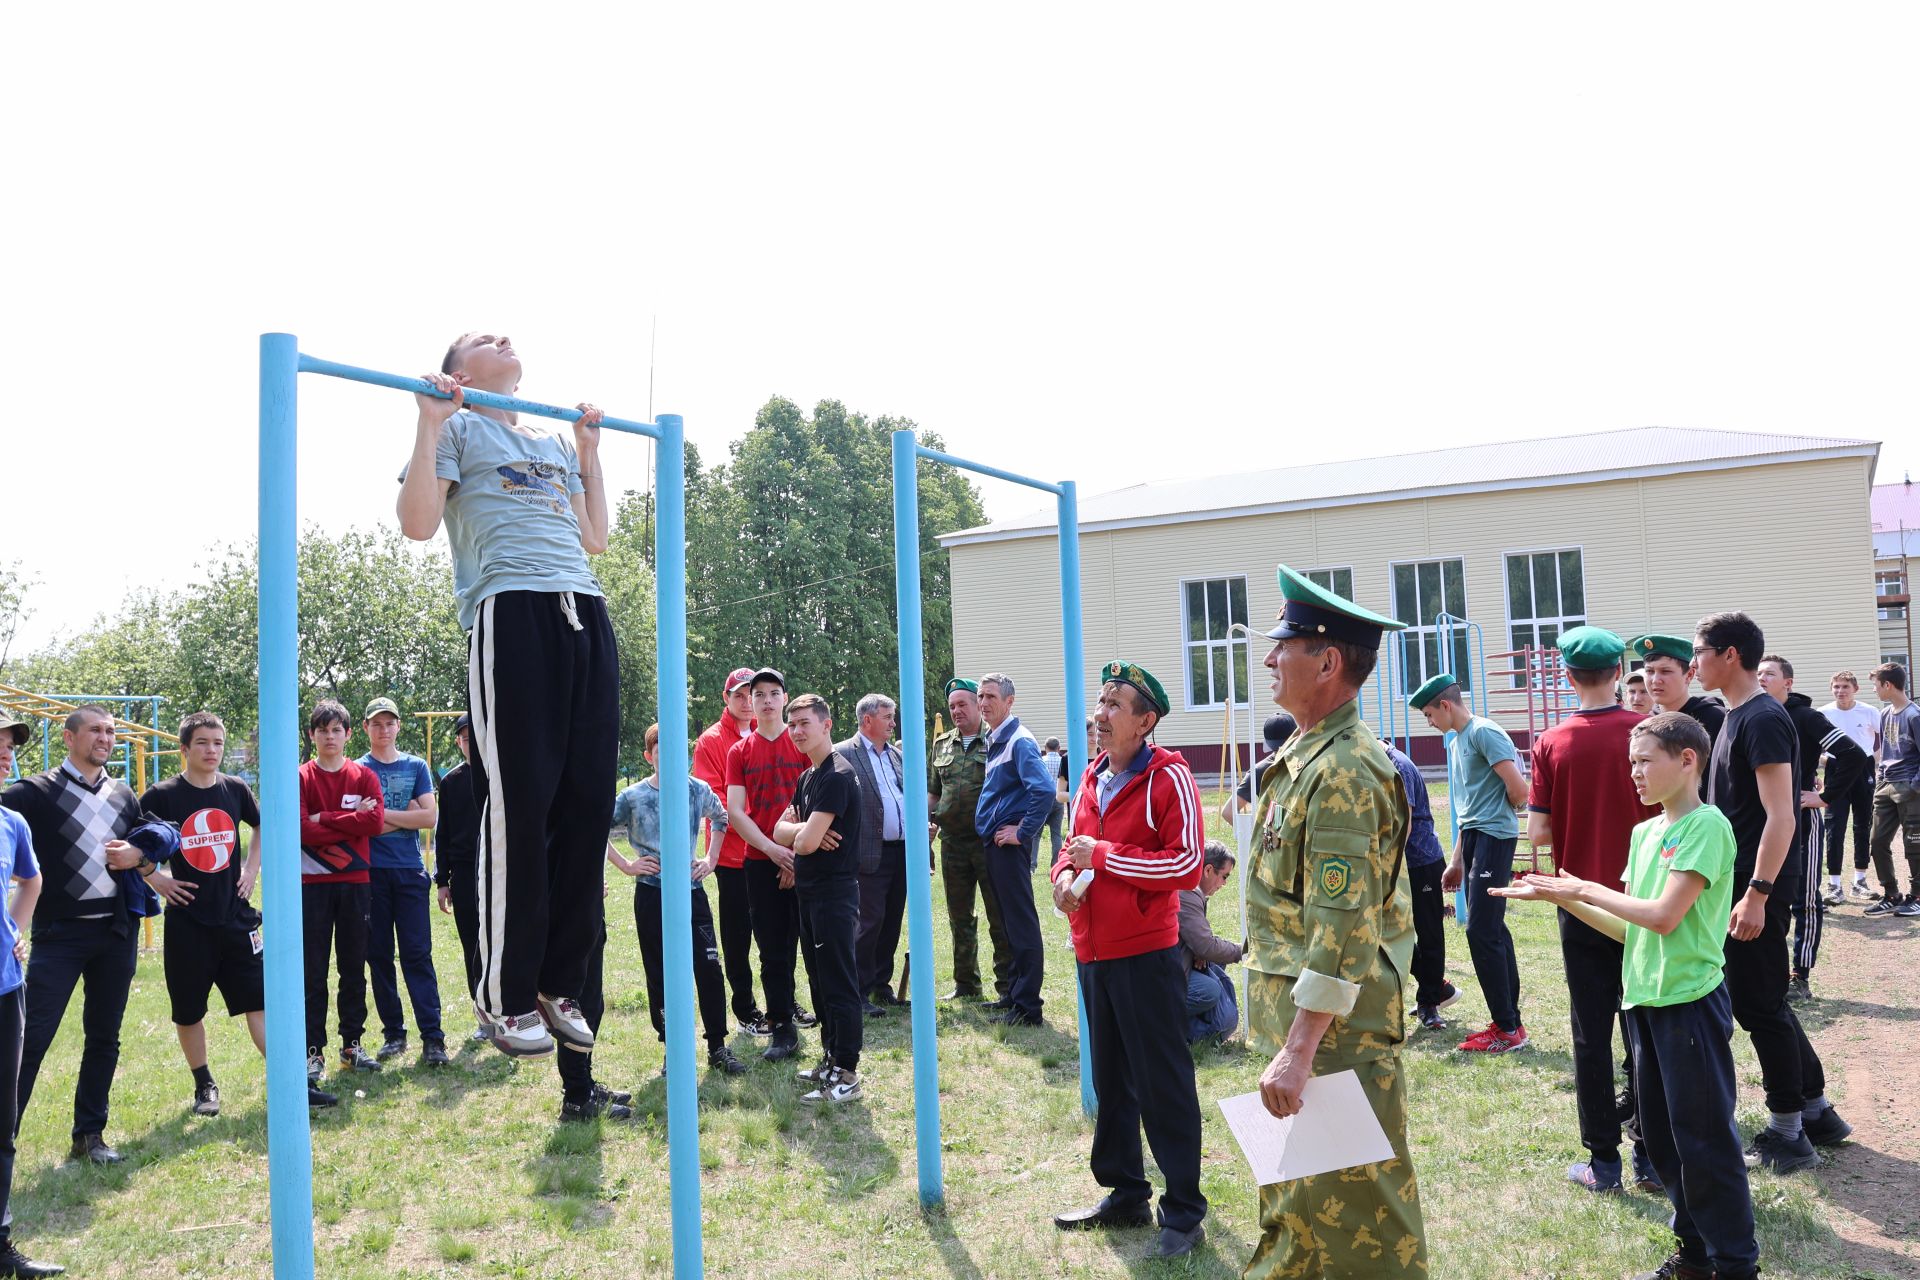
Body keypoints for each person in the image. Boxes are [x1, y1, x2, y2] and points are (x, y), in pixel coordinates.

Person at [398, 335, 616, 1059]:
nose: (506, 339)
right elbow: (419, 523)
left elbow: (596, 539)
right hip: (512, 608)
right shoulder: (458, 424)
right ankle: (505, 994)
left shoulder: (551, 439)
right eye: (486, 337)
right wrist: (429, 421)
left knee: (589, 803)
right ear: (462, 371)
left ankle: (561, 981)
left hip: (584, 608)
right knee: (521, 802)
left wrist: (588, 449)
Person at [1494, 713, 1758, 1280]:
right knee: (1663, 1144)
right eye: (1631, 762)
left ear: (1687, 760)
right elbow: (1632, 930)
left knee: (1705, 1145)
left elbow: (1664, 917)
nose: (1634, 774)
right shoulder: (1645, 833)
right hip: (1642, 1004)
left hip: (1688, 1004)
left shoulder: (1706, 826)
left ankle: (1735, 1267)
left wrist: (1584, 885)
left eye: (1645, 762)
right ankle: (1693, 1259)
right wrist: (1561, 899)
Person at [1244, 567, 1424, 1277]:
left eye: (1282, 645)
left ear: (1326, 662)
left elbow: (1344, 927)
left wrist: (1298, 1050)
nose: (1268, 659)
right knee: (1295, 1202)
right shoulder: (1305, 755)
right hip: (1303, 1027)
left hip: (1331, 1039)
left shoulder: (1346, 769)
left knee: (1360, 1221)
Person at [1050, 660, 1207, 1260]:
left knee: (1161, 1082)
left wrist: (1105, 857)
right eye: (1101, 700)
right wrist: (1064, 879)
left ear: (1145, 721)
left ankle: (1185, 1210)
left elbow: (1186, 865)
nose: (1101, 713)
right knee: (1111, 1078)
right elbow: (1070, 850)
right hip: (1093, 951)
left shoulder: (1170, 777)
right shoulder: (1091, 774)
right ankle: (1125, 1191)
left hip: (1146, 954)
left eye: (1116, 704)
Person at [1694, 612, 1850, 1171]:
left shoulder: (1761, 717)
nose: (1694, 664)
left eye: (1699, 652)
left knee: (1759, 1005)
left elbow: (1780, 817)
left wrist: (1757, 893)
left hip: (1756, 887)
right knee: (1763, 1001)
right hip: (1736, 884)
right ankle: (1817, 1110)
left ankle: (1789, 1130)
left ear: (1730, 654)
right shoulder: (1735, 715)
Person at [141, 711, 337, 1112]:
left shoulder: (234, 789)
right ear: (184, 749)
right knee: (189, 1009)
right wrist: (155, 878)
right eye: (202, 743)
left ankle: (292, 1084)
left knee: (260, 1002)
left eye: (217, 742)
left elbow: (261, 826)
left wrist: (251, 869)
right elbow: (129, 842)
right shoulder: (162, 795)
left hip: (236, 918)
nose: (212, 750)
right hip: (188, 920)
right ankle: (204, 1085)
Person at [2, 705, 171, 1167]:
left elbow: (154, 836)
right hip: (59, 936)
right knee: (29, 1039)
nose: (105, 738)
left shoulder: (122, 795)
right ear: (69, 737)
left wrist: (139, 850)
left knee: (104, 1036)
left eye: (111, 731)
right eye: (95, 730)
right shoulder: (32, 794)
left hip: (116, 932)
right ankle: (5, 1140)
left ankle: (89, 1135)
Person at [1523, 627, 1659, 1192]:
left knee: (1590, 1034)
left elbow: (1537, 831)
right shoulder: (1649, 733)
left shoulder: (1551, 742)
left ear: (1568, 677)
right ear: (1619, 672)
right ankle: (1653, 1156)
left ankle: (1603, 1162)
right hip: (1646, 902)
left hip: (1580, 902)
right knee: (1646, 1030)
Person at [609, 723, 748, 1079]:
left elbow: (721, 817)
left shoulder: (697, 789)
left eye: (676, 752)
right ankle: (673, 1049)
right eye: (660, 752)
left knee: (709, 967)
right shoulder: (633, 797)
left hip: (692, 894)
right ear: (649, 756)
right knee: (660, 973)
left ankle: (718, 1046)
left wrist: (710, 860)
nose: (669, 759)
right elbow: (594, 828)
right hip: (651, 893)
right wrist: (626, 864)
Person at [1411, 674, 1530, 1052]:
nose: (1429, 722)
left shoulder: (1483, 732)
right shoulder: (1457, 741)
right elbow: (1467, 812)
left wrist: (1505, 814)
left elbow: (1520, 790)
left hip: (1496, 837)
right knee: (1491, 929)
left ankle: (1506, 1029)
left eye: (1430, 714)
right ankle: (1510, 1022)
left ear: (1446, 705)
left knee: (1481, 930)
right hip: (1477, 837)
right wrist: (1458, 859)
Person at [1756, 655, 1871, 996]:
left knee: (1804, 898)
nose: (1762, 678)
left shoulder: (1806, 717)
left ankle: (1799, 975)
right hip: (1758, 821)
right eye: (1758, 673)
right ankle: (1763, 972)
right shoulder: (1749, 714)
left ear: (1787, 682)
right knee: (1758, 893)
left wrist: (1825, 796)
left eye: (1770, 674)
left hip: (1801, 820)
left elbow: (1853, 754)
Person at [773, 695, 866, 1104]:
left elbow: (805, 840)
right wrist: (802, 833)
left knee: (839, 982)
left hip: (834, 894)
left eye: (804, 723)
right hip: (809, 894)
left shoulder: (836, 775)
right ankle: (829, 1058)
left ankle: (847, 1071)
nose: (796, 731)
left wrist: (803, 834)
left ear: (827, 725)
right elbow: (781, 831)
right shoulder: (807, 777)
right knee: (818, 978)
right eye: (791, 724)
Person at [0, 715, 62, 1278]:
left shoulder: (11, 822)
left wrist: (14, 932)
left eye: (8, 744)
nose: (4, 753)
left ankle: (0, 1243)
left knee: (2, 1121)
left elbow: (31, 880)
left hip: (5, 988)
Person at [726, 668, 815, 1061]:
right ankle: (782, 1027)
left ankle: (831, 1020)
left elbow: (815, 804)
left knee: (815, 944)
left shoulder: (801, 744)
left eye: (772, 693)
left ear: (784, 698)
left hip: (807, 857)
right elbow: (735, 811)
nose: (764, 700)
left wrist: (793, 854)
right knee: (772, 949)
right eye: (757, 694)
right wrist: (772, 850)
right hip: (760, 862)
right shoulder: (739, 752)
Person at [298, 699, 387, 1078]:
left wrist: (326, 818)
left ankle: (352, 1045)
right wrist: (351, 819)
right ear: (312, 735)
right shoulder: (300, 777)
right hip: (312, 884)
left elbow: (375, 823)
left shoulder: (364, 776)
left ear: (349, 735)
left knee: (353, 968)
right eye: (322, 730)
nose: (329, 736)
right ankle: (312, 1052)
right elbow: (302, 828)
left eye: (336, 730)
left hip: (355, 883)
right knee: (312, 972)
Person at [357, 697, 446, 1067]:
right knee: (378, 956)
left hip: (409, 872)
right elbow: (360, 824)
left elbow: (429, 817)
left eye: (389, 722)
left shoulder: (416, 766)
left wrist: (381, 817)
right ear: (366, 728)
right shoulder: (356, 770)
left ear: (398, 726)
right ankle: (393, 1034)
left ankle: (433, 1038)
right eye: (376, 723)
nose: (383, 729)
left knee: (416, 954)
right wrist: (405, 814)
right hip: (369, 874)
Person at [974, 672, 1053, 1025]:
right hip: (995, 844)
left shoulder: (1019, 741)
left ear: (1009, 702)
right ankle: (1013, 995)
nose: (984, 702)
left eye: (991, 696)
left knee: (1020, 923)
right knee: (1008, 923)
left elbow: (1045, 791)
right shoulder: (996, 738)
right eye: (981, 696)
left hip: (1009, 846)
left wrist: (1023, 833)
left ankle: (1027, 1007)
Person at [692, 667, 765, 1034]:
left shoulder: (767, 734)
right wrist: (756, 825)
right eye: (738, 694)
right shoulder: (710, 741)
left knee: (774, 930)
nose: (745, 701)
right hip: (735, 856)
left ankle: (782, 1001)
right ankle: (745, 1008)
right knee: (737, 935)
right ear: (727, 698)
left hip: (769, 850)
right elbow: (713, 799)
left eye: (749, 694)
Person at [929, 679, 1007, 1004]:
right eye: (952, 706)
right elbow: (934, 792)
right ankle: (967, 984)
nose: (957, 711)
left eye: (963, 704)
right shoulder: (941, 744)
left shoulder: (997, 742)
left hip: (988, 843)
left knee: (998, 915)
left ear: (978, 705)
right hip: (953, 843)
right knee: (959, 916)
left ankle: (1008, 987)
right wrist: (927, 827)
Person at [836, 695, 907, 1016]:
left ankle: (881, 983)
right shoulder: (843, 754)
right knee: (868, 923)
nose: (893, 723)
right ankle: (858, 991)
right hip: (866, 854)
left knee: (891, 921)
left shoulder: (896, 755)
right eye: (888, 717)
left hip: (900, 852)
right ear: (867, 720)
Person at [1381, 738, 1456, 1030]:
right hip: (1397, 864)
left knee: (1429, 933)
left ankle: (1429, 1004)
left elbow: (1405, 824)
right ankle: (1437, 985)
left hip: (1421, 862)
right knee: (1388, 930)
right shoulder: (1382, 762)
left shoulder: (1398, 766)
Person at [432, 714, 488, 1042]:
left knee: (501, 943)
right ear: (459, 743)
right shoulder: (451, 783)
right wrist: (442, 881)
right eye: (466, 738)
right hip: (465, 874)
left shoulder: (500, 774)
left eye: (476, 736)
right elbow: (444, 834)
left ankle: (510, 1010)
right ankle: (482, 1014)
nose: (472, 743)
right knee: (472, 945)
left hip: (498, 871)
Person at [1818, 670, 1881, 903]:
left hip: (1863, 769)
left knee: (1862, 825)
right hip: (1836, 769)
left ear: (1855, 689)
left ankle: (1860, 881)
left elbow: (1883, 738)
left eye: (1845, 687)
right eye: (1836, 687)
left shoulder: (1869, 711)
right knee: (1834, 827)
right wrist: (1824, 760)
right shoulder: (1823, 713)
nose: (1840, 691)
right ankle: (1834, 885)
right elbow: (1814, 744)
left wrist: (1874, 760)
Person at [1865, 661, 1920, 917]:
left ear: (1888, 685)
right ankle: (1891, 894)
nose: (1875, 690)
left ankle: (1917, 896)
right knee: (1877, 841)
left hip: (1909, 788)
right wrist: (1880, 779)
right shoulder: (1885, 714)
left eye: (1876, 685)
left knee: (1914, 845)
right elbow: (1886, 752)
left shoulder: (1914, 716)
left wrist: (1914, 786)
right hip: (1885, 785)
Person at [1179, 842, 1242, 1044]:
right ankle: (1172, 1032)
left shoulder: (1192, 891)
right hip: (1164, 978)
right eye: (1224, 876)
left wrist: (1201, 952)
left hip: (1175, 967)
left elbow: (1202, 944)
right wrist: (1242, 951)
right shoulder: (1187, 892)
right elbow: (1206, 945)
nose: (1224, 884)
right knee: (1209, 991)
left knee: (1215, 965)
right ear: (1208, 870)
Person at [1631, 634, 1727, 751]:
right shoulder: (1647, 722)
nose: (1655, 680)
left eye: (1665, 671)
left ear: (1689, 675)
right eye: (1650, 671)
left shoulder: (1715, 719)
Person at [1217, 714, 1299, 826]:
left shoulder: (1259, 770)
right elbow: (1228, 812)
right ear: (1296, 737)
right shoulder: (1260, 771)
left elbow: (1228, 812)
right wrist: (1256, 836)